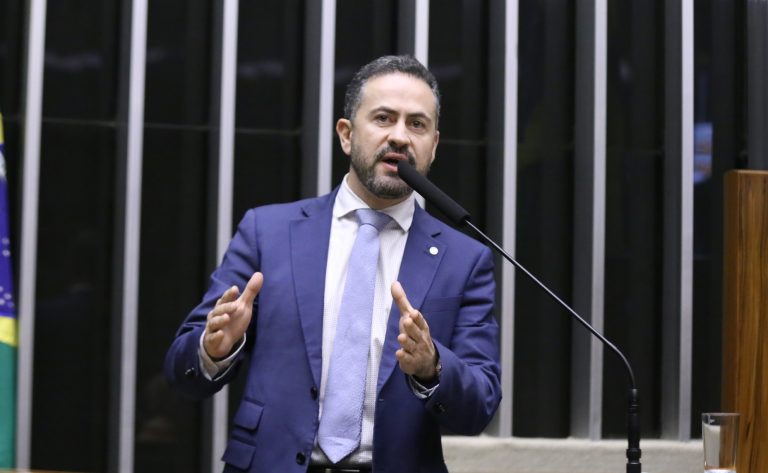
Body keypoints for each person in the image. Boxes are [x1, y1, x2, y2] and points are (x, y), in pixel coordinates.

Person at [164, 55, 501, 473]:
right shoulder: (268, 232)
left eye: (417, 124)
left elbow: (480, 406)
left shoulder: (465, 259)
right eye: (383, 118)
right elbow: (182, 373)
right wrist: (215, 348)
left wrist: (433, 367)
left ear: (433, 145)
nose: (399, 136)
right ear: (346, 134)